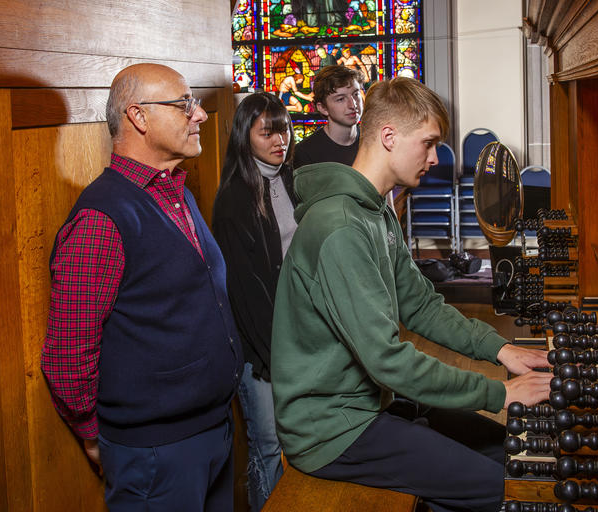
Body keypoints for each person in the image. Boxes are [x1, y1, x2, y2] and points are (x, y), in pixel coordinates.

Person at [271, 77, 553, 512]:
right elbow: (387, 360)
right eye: (428, 143)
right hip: (330, 430)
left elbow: (419, 304)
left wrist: (500, 351)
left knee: (505, 449)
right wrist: (501, 394)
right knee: (502, 489)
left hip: (365, 406)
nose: (436, 158)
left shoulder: (375, 207)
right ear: (389, 137)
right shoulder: (341, 226)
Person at [41, 63, 244, 512]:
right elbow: (67, 354)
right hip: (156, 451)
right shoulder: (102, 219)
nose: (201, 115)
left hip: (212, 429)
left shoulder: (176, 192)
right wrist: (94, 437)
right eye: (184, 104)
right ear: (138, 116)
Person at [212, 93, 296, 512]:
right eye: (268, 131)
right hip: (257, 350)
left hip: (294, 337)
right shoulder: (234, 200)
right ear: (245, 137)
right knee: (267, 447)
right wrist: (277, 356)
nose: (280, 139)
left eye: (284, 128)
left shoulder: (292, 179)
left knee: (295, 443)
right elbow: (245, 295)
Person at [293, 65, 364, 169]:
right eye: (340, 99)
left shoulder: (373, 140)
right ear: (323, 108)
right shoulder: (305, 153)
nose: (352, 105)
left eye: (356, 94)